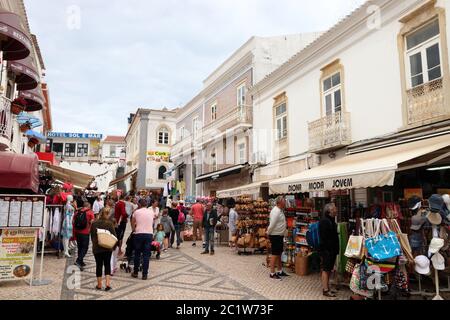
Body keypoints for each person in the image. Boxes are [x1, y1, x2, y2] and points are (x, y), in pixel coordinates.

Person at [90, 207, 117, 291]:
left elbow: (92, 236)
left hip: (97, 248)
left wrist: (96, 243)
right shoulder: (109, 224)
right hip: (107, 248)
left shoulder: (94, 223)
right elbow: (114, 236)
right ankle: (108, 284)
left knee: (99, 265)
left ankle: (99, 284)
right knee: (107, 264)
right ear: (108, 214)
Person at [319, 203, 339, 297]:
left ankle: (328, 288)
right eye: (334, 208)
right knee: (326, 269)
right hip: (327, 250)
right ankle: (325, 290)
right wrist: (328, 250)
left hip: (331, 250)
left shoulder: (331, 220)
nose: (336, 210)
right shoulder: (324, 221)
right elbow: (324, 237)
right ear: (329, 211)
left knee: (329, 269)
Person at [131, 199, 154, 280]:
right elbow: (152, 222)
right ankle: (145, 274)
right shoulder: (151, 212)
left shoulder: (136, 212)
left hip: (139, 234)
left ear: (139, 204)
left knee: (137, 254)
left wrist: (134, 229)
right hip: (149, 234)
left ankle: (136, 272)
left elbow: (133, 221)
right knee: (146, 255)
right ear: (147, 204)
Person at [267, 196, 288, 280]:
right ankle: (272, 273)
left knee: (278, 253)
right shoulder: (275, 211)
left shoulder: (280, 210)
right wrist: (268, 232)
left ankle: (279, 270)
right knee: (275, 254)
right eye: (284, 201)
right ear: (280, 202)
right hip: (275, 235)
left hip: (279, 235)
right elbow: (272, 224)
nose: (285, 202)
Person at [73, 202, 95, 271]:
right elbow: (92, 222)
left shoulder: (77, 212)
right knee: (85, 248)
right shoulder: (90, 212)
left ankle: (81, 261)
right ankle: (78, 261)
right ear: (88, 206)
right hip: (85, 233)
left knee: (80, 247)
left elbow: (73, 221)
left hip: (77, 232)